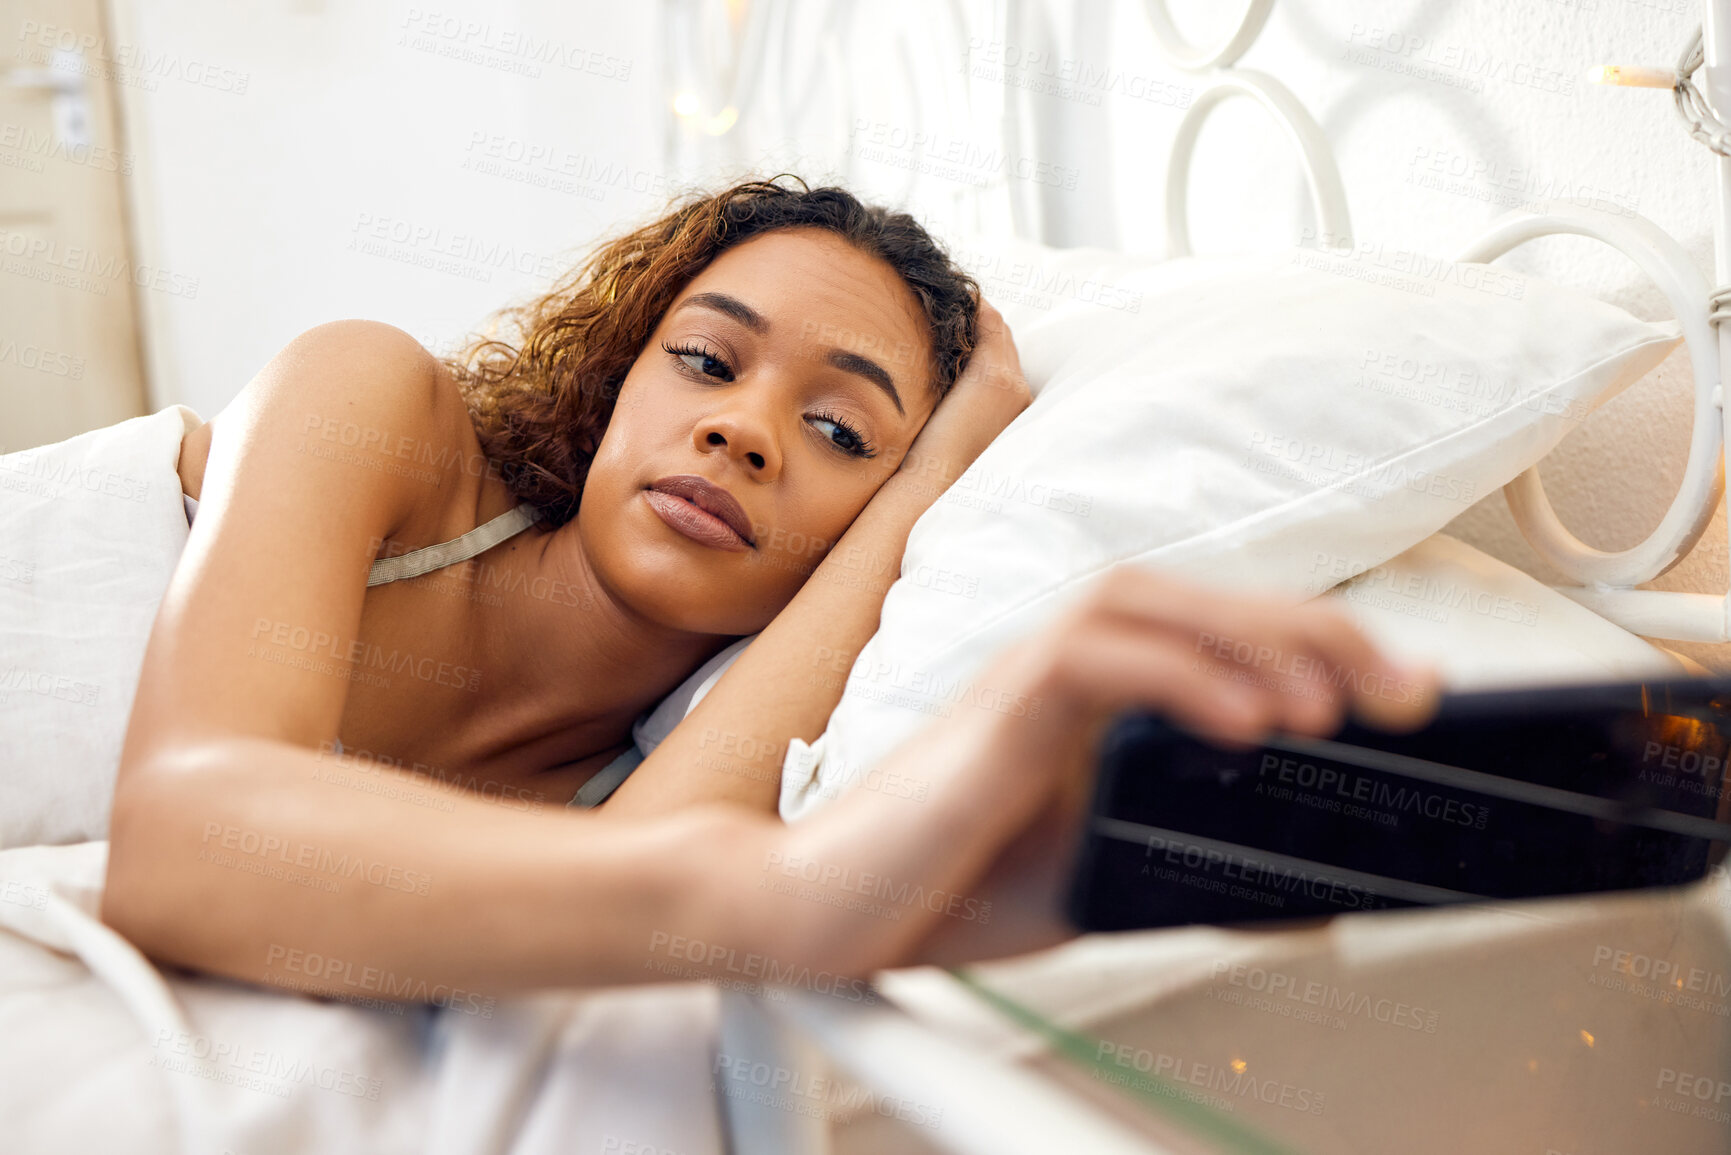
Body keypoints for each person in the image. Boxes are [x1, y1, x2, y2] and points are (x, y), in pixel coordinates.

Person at [100, 174, 1437, 1000]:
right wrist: (794, 905)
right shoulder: (369, 405)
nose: (745, 433)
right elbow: (180, 846)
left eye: (842, 434)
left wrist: (935, 483)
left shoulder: (643, 771)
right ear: (619, 368)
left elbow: (626, 892)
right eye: (705, 362)